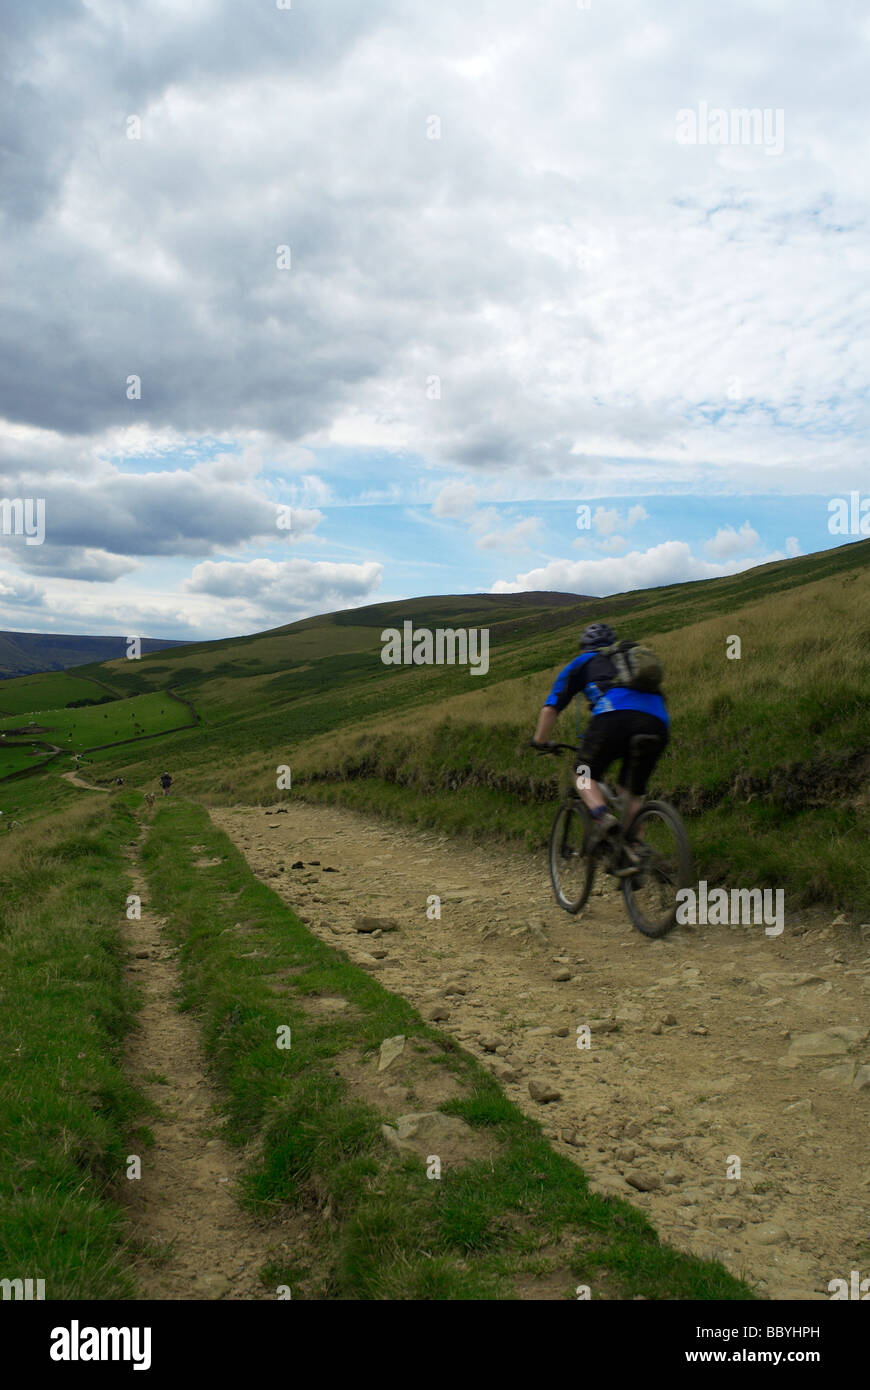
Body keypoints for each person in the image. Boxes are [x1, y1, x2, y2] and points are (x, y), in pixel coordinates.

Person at [530, 622, 669, 873]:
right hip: (657, 721)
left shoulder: (581, 662)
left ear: (585, 647)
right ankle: (634, 851)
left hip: (613, 717)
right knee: (631, 792)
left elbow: (551, 706)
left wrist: (540, 740)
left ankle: (601, 816)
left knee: (582, 773)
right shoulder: (629, 658)